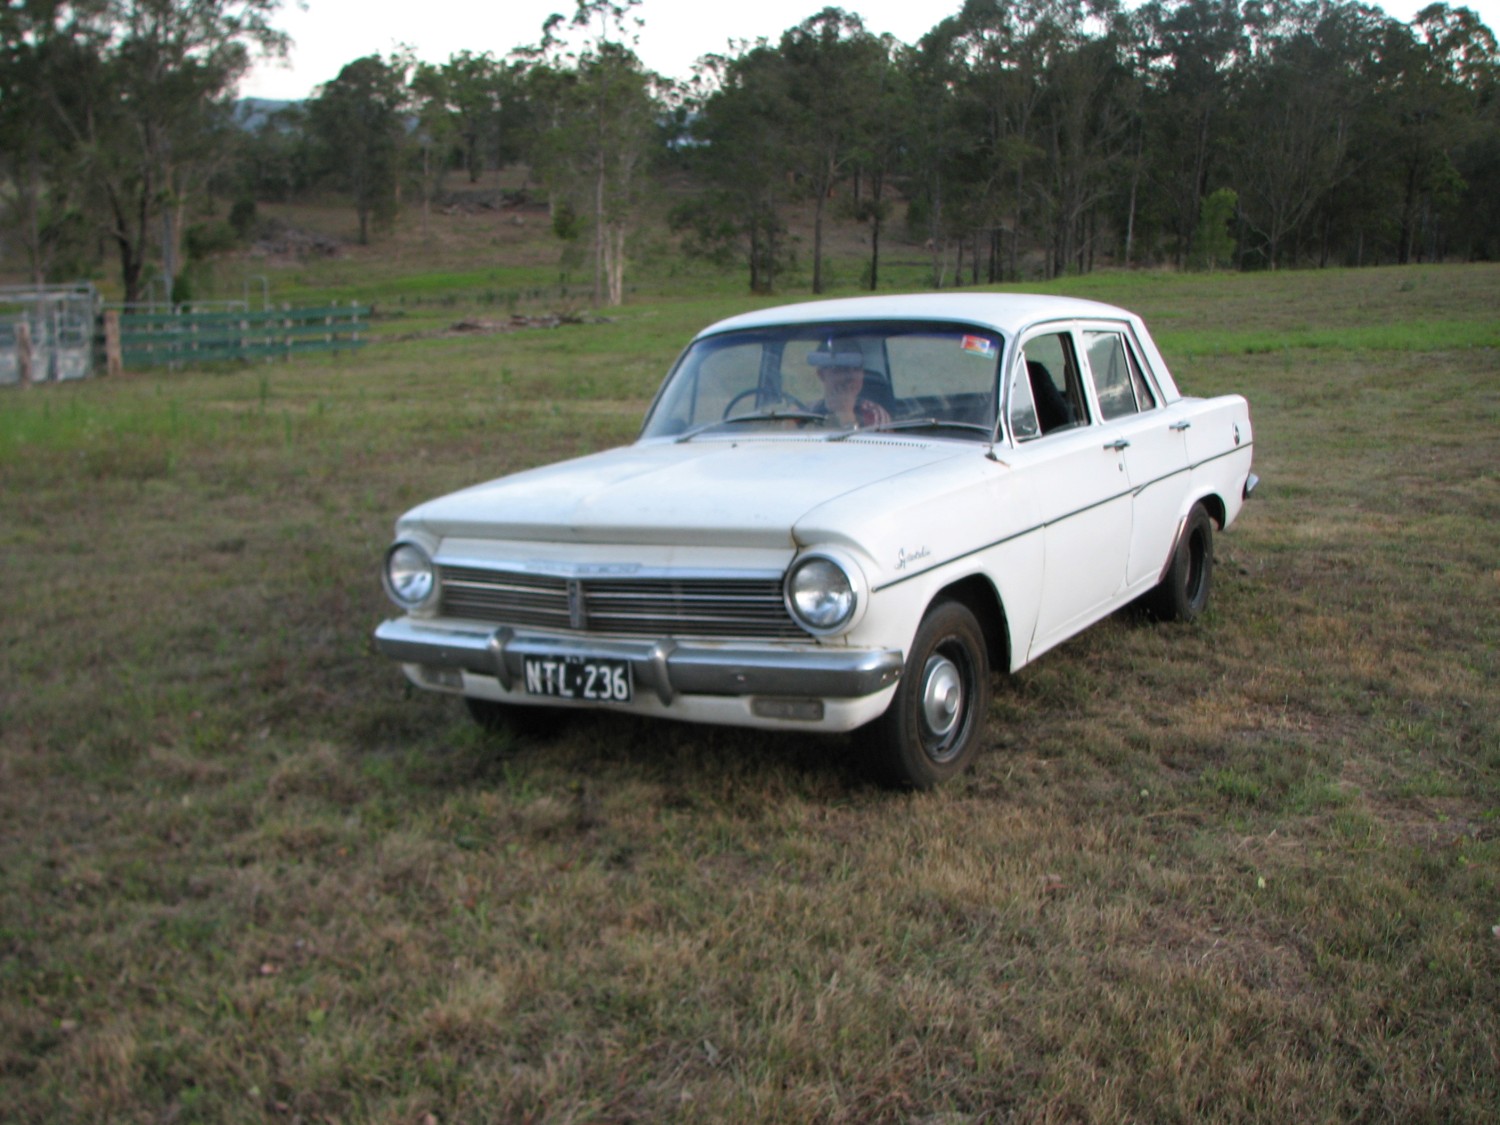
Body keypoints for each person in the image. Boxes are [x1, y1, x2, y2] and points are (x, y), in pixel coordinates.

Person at [808, 345, 892, 429]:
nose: (851, 377)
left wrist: (846, 413)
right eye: (841, 369)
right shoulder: (808, 412)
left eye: (857, 369)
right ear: (821, 375)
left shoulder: (875, 413)